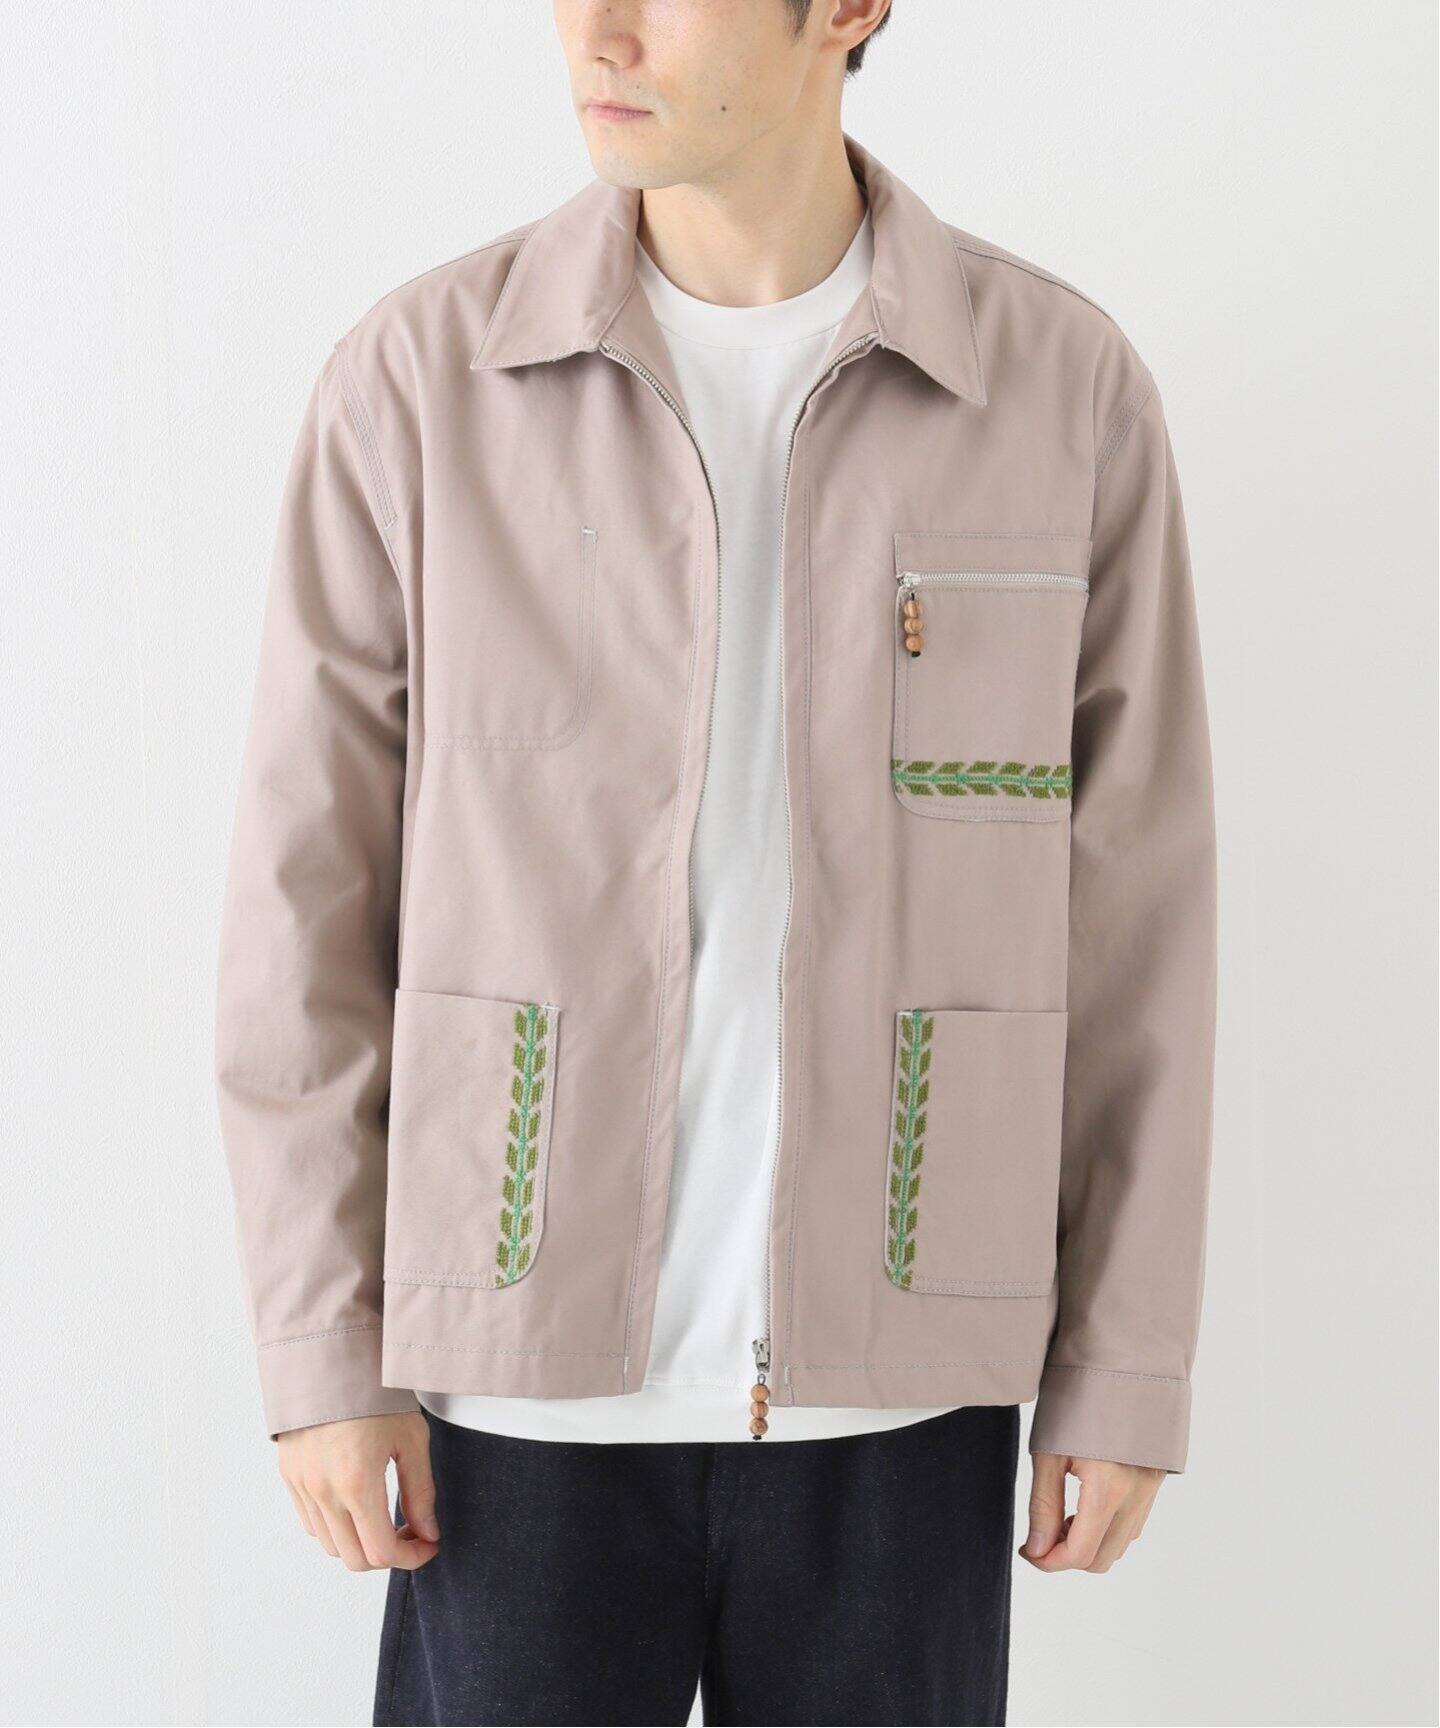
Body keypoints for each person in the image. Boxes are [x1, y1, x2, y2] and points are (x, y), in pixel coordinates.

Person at [214, 2, 1217, 1722]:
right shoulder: (424, 384)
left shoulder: (1058, 392)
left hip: (901, 1400)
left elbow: (1138, 930)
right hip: (512, 1398)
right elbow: (302, 905)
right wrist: (322, 1348)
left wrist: (1121, 1368)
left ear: (850, 9)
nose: (597, 32)